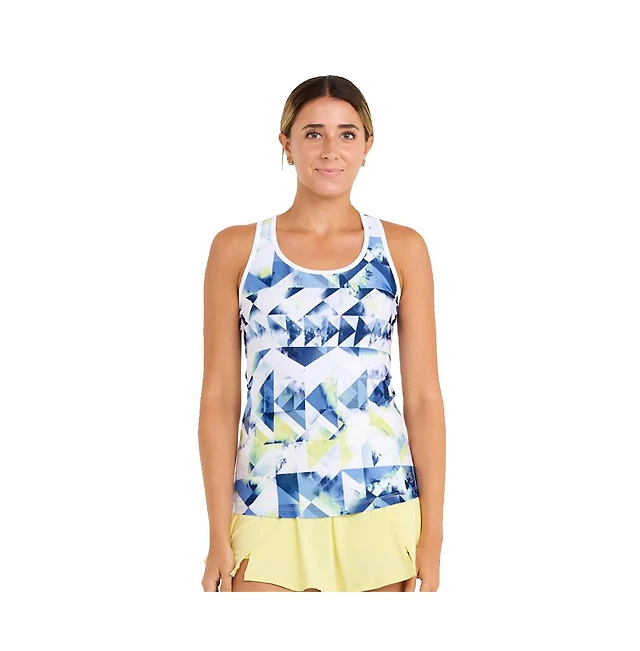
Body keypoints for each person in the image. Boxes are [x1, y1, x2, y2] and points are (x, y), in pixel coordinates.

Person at [199, 75, 446, 592]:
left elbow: (424, 397)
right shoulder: (238, 250)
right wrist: (218, 533)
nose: (331, 149)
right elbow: (220, 397)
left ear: (367, 146)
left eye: (346, 134)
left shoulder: (401, 249)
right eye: (313, 133)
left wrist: (433, 538)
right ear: (286, 144)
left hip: (380, 501)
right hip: (266, 502)